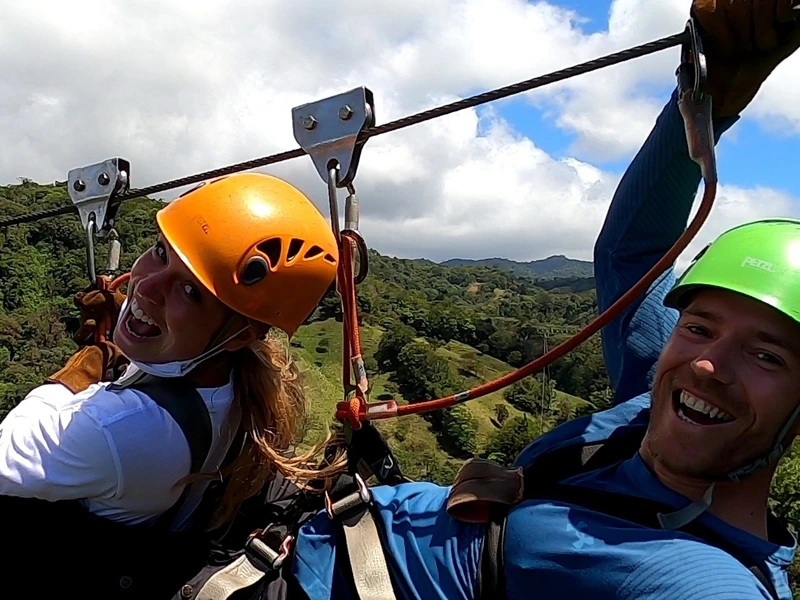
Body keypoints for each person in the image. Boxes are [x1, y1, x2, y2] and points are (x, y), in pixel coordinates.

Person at [269, 1, 800, 599]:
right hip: (300, 537)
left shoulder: (702, 577)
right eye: (700, 327)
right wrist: (705, 106)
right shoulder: (659, 399)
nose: (708, 364)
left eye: (767, 356)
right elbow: (633, 250)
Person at [0, 173, 346, 596]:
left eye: (189, 290)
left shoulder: (123, 430)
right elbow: (180, 323)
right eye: (160, 252)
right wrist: (131, 340)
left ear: (239, 334)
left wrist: (76, 374)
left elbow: (8, 451)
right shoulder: (237, 379)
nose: (145, 285)